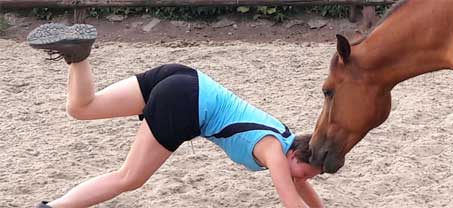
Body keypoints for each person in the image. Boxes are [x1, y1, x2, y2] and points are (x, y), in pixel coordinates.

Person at [27, 23, 323, 208]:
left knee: (81, 108)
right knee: (129, 178)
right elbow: (291, 201)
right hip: (186, 102)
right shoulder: (273, 149)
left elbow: (301, 186)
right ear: (295, 154)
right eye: (306, 173)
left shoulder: (286, 142)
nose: (303, 180)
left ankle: (78, 55)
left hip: (184, 77)